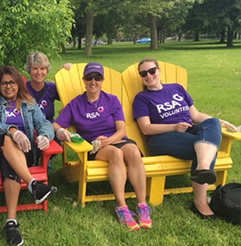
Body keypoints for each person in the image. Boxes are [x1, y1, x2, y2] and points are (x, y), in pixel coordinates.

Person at [133, 57, 238, 220]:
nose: (149, 75)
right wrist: (173, 127)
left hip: (190, 130)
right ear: (141, 76)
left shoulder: (177, 88)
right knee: (205, 147)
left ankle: (203, 168)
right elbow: (146, 128)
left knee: (210, 127)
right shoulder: (142, 98)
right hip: (162, 137)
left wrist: (219, 122)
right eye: (144, 73)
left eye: (152, 71)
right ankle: (200, 202)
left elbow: (195, 115)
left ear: (159, 71)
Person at [53, 62, 151, 231]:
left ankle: (142, 205)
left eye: (97, 78)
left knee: (134, 152)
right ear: (84, 80)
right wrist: (61, 131)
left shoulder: (112, 100)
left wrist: (110, 139)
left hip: (115, 139)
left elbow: (121, 130)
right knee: (115, 154)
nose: (93, 81)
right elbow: (55, 124)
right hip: (95, 146)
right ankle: (122, 208)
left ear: (102, 80)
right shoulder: (76, 104)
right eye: (89, 77)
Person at [0, 65, 57, 246]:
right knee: (7, 140)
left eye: (12, 82)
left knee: (11, 163)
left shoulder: (28, 103)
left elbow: (44, 122)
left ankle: (11, 223)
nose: (8, 86)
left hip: (24, 153)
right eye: (4, 83)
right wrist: (12, 130)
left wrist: (46, 135)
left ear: (18, 84)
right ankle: (33, 185)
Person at [25, 52, 71, 168]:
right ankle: (33, 162)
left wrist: (66, 74)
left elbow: (70, 98)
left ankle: (46, 161)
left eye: (43, 68)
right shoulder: (23, 88)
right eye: (35, 68)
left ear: (47, 70)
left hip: (48, 126)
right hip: (28, 126)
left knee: (57, 136)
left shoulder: (51, 88)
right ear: (29, 70)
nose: (39, 72)